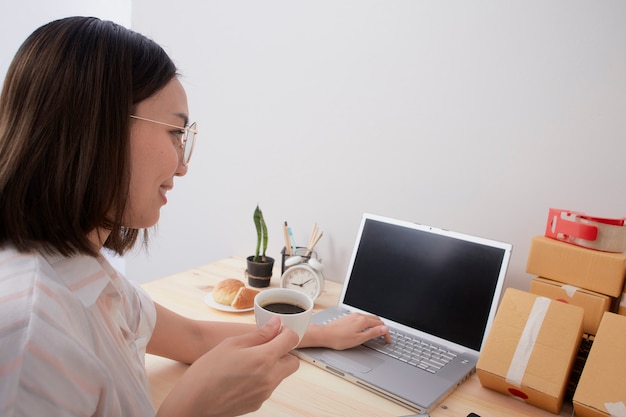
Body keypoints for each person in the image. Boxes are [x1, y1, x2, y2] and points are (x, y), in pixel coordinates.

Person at [0, 16, 390, 417]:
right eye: (175, 133)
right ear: (99, 128)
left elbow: (194, 335)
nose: (183, 166)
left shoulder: (86, 275)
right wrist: (192, 409)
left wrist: (321, 333)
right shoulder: (29, 335)